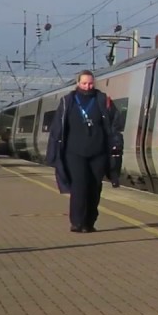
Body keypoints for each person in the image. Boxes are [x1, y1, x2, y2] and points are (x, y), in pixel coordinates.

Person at [45, 70, 122, 233]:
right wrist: (54, 151)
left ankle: (90, 221)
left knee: (95, 187)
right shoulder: (68, 101)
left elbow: (114, 123)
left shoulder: (102, 100)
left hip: (98, 152)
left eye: (91, 83)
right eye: (84, 83)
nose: (88, 86)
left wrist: (115, 144)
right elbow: (57, 128)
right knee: (79, 187)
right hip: (74, 153)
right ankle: (77, 222)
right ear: (78, 83)